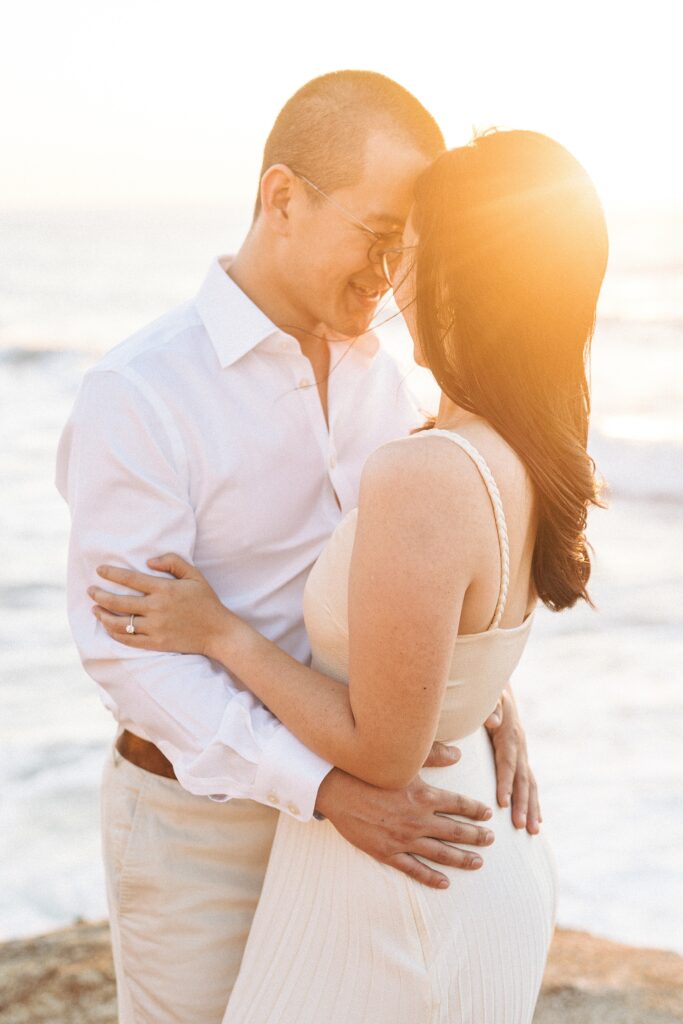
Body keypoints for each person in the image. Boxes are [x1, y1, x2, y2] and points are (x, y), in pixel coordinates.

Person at [57, 72, 544, 1024]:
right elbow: (125, 655)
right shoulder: (141, 391)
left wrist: (483, 694)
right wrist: (322, 789)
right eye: (376, 232)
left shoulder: (390, 382)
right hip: (206, 827)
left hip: (350, 823)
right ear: (282, 198)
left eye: (409, 244)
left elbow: (419, 577)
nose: (392, 267)